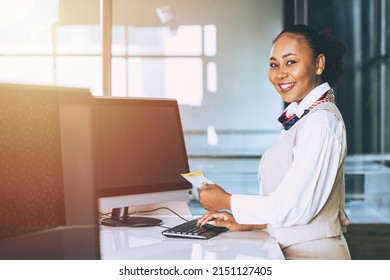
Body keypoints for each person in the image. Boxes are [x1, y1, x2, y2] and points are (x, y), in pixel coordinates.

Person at [197, 24, 351, 260]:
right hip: (294, 252)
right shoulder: (304, 118)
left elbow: (293, 208)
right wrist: (246, 222)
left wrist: (226, 200)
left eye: (291, 62)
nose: (280, 73)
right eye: (273, 64)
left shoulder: (320, 122)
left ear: (319, 64)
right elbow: (292, 205)